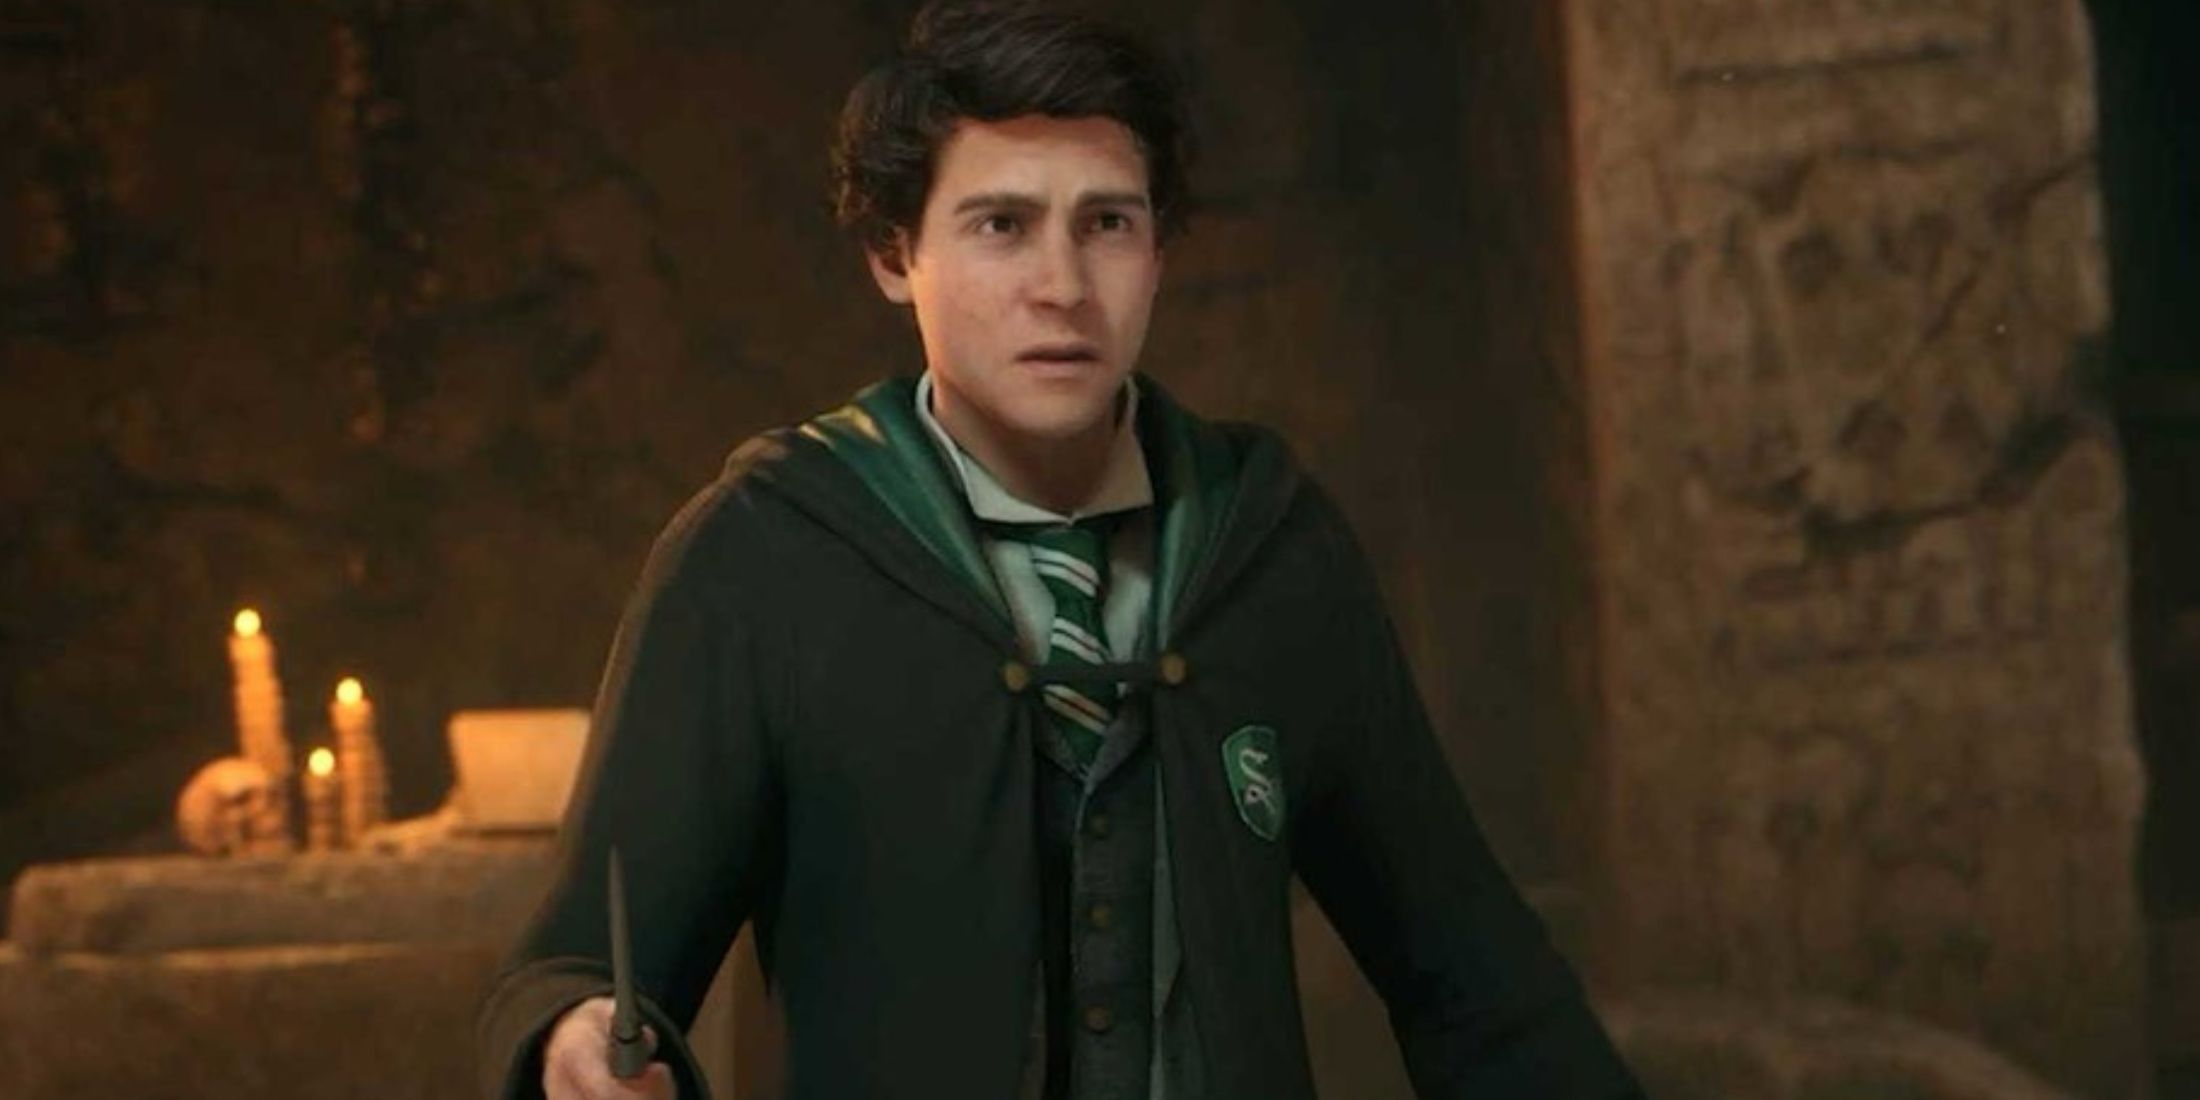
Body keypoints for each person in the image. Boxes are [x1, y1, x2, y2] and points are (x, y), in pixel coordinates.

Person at [475, 3, 1644, 1098]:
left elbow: (1473, 972)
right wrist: (574, 1034)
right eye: (1000, 225)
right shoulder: (764, 554)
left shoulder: (1270, 545)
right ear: (894, 254)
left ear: (1159, 248)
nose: (1063, 287)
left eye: (1108, 223)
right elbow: (578, 965)